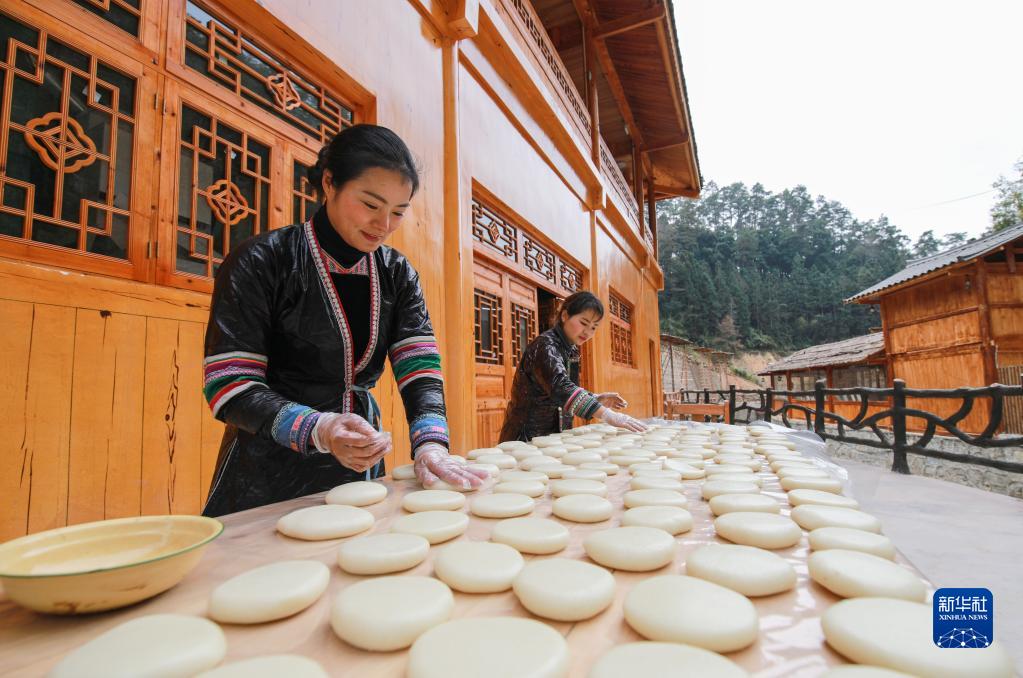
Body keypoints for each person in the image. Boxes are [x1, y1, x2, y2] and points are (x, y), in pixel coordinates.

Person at [201, 124, 484, 516]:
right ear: (330, 183)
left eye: (398, 212)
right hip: (265, 466)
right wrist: (319, 428)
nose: (384, 225)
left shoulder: (396, 273)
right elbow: (229, 384)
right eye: (370, 205)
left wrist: (431, 444)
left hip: (359, 465)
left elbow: (419, 369)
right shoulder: (262, 260)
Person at [498, 291, 647, 442]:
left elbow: (569, 389)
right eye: (584, 323)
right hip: (526, 436)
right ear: (564, 316)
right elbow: (561, 388)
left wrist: (596, 398)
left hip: (552, 436)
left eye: (593, 327)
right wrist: (608, 415)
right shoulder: (545, 346)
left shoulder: (571, 350)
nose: (587, 332)